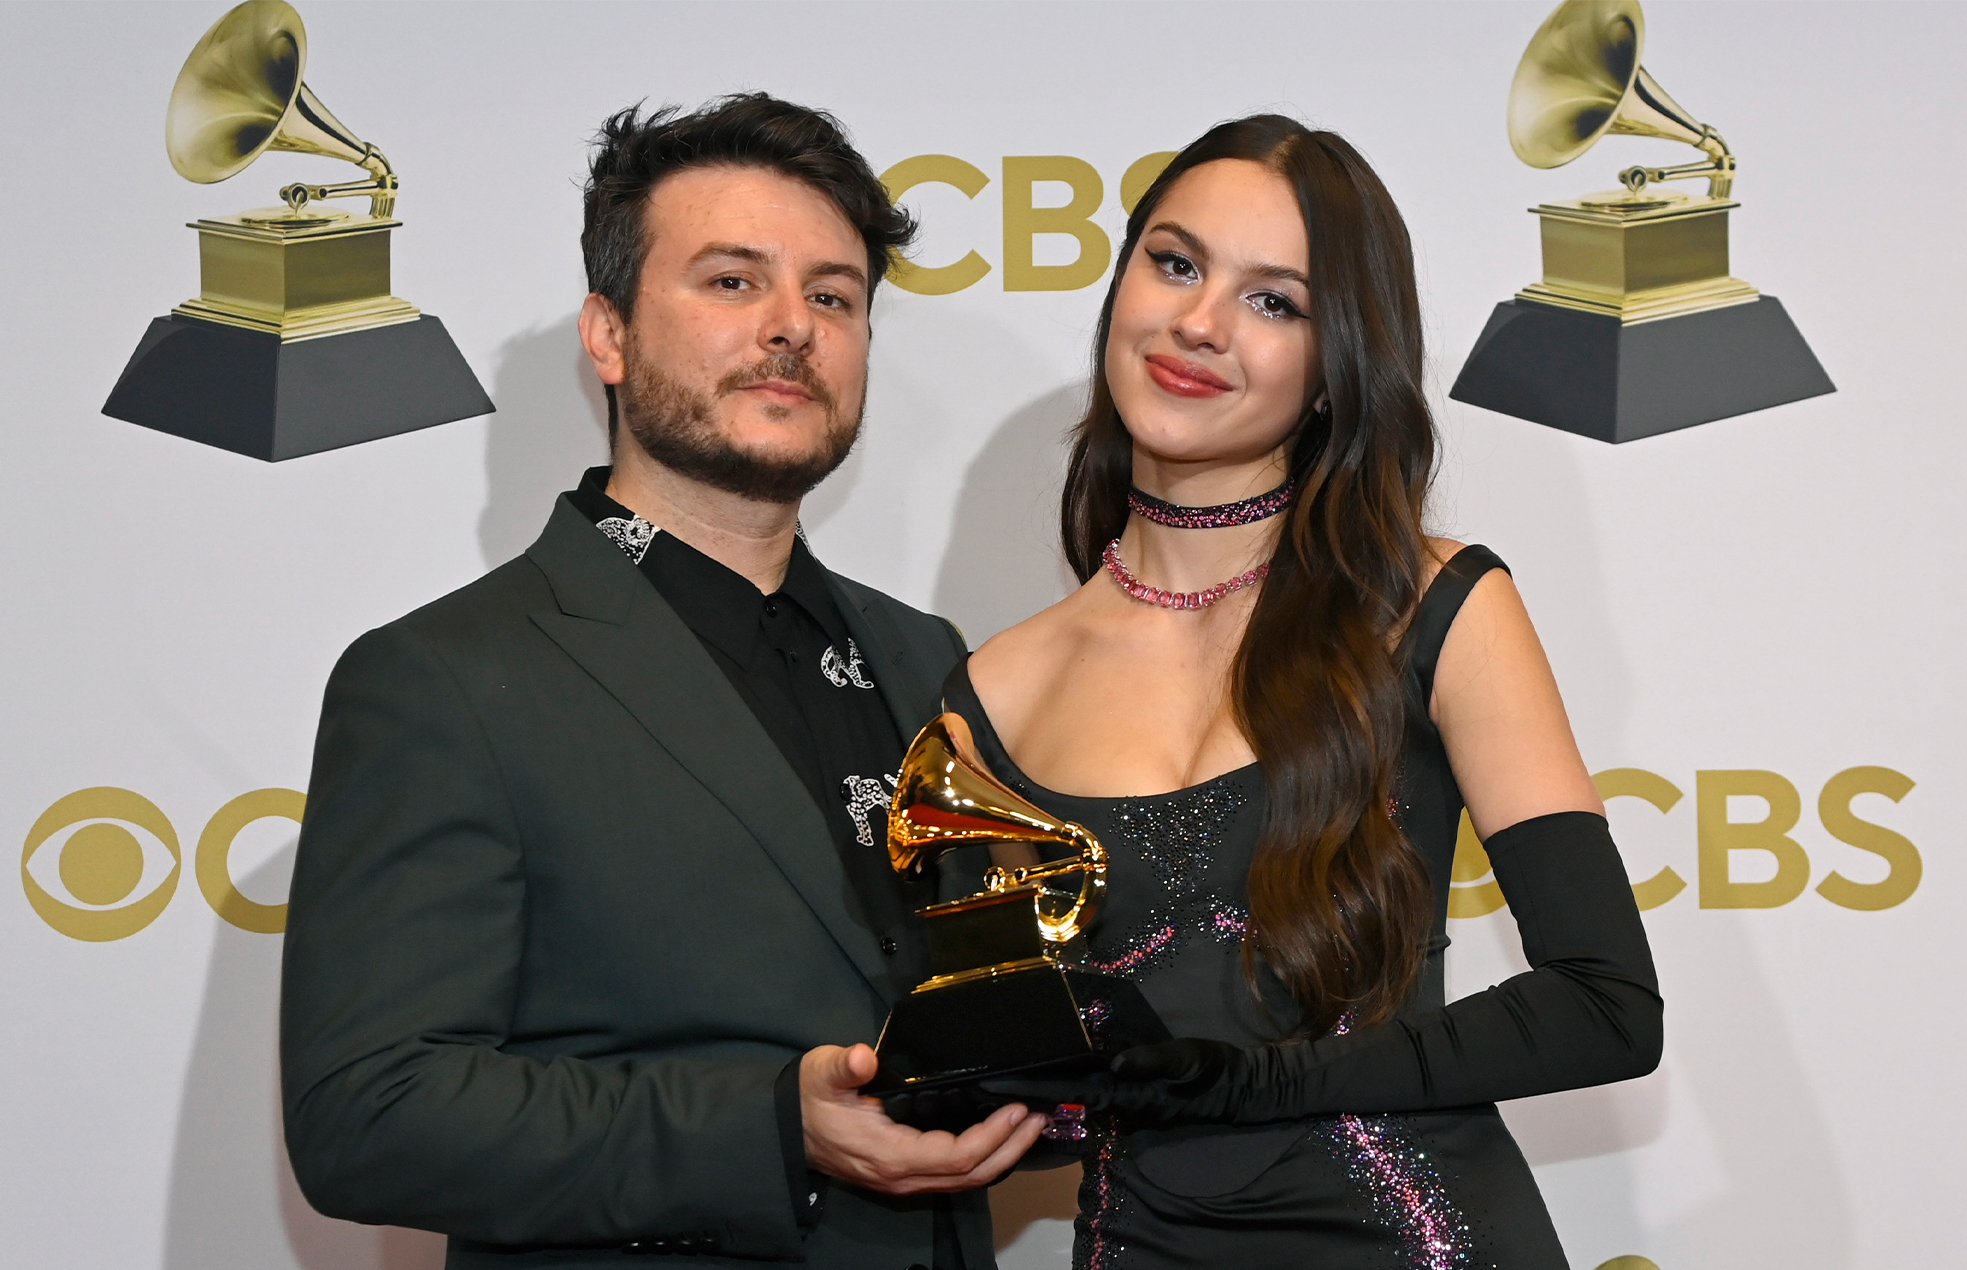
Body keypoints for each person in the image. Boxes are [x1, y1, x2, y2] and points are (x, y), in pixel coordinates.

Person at [279, 94, 1043, 1270]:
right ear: (609, 334)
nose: (791, 327)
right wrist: (769, 1129)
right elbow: (368, 1114)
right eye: (732, 282)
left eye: (832, 297)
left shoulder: (923, 654)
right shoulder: (443, 678)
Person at [965, 115, 1664, 1267]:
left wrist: (1257, 1080)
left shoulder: (1430, 606)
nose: (1199, 323)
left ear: (1337, 359)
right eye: (1174, 263)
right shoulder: (990, 688)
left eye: (1272, 301)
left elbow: (1603, 1004)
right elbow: (1012, 1086)